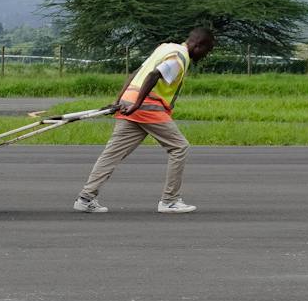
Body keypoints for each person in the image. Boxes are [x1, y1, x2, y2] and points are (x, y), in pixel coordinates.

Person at [73, 27, 215, 215]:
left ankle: (85, 198)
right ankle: (170, 201)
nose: (205, 55)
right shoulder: (179, 58)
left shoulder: (166, 47)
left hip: (129, 103)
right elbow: (153, 75)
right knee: (179, 147)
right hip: (147, 107)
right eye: (207, 51)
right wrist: (137, 104)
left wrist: (119, 101)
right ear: (199, 45)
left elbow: (136, 72)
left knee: (112, 153)